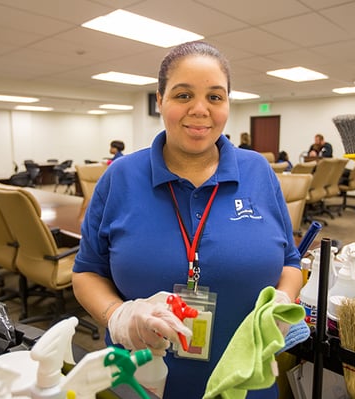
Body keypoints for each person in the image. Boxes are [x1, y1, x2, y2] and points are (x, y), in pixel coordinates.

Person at [72, 41, 302, 399]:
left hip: (246, 384)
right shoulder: (120, 178)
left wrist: (281, 306)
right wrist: (117, 315)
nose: (200, 110)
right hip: (141, 382)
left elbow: (290, 261)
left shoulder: (259, 172)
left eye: (215, 97)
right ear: (160, 99)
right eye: (183, 95)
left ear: (227, 103)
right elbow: (86, 272)